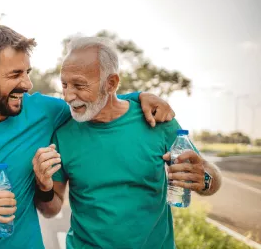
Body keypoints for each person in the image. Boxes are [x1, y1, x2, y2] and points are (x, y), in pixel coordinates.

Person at [0, 24, 176, 249]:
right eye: (14, 74)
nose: (26, 84)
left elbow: (98, 103)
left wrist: (139, 98)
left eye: (27, 72)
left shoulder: (43, 111)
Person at [33, 36, 222, 249]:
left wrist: (204, 179)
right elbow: (52, 209)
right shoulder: (63, 134)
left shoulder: (157, 121)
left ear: (111, 83)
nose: (67, 96)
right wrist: (44, 187)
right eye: (65, 84)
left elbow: (210, 178)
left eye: (79, 85)